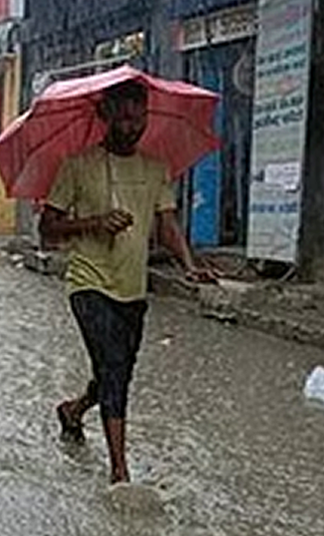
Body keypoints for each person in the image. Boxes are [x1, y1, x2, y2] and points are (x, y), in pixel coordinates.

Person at [39, 78, 214, 485]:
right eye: (123, 117)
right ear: (105, 117)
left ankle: (75, 409)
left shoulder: (155, 169)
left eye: (140, 117)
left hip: (133, 288)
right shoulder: (77, 165)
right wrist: (94, 223)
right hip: (89, 283)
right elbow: (47, 227)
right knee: (115, 368)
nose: (133, 126)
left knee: (116, 371)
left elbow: (167, 224)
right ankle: (119, 473)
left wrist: (188, 264)